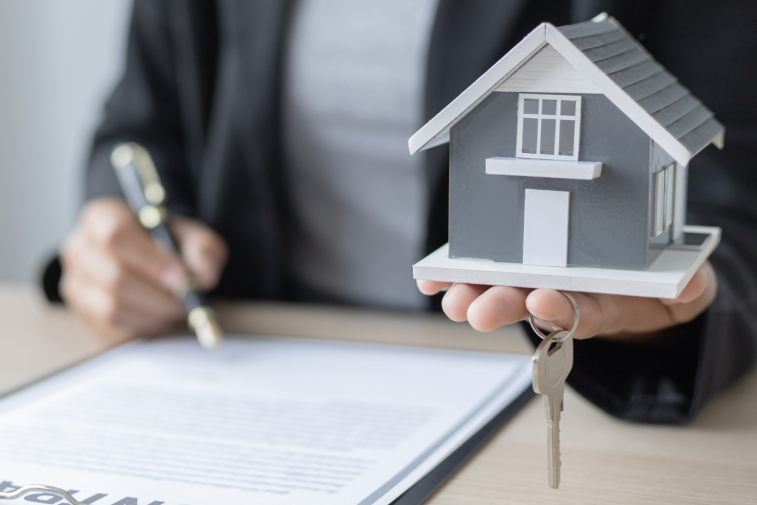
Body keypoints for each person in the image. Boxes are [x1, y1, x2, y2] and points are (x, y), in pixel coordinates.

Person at [43, 0, 757, 422]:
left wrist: (655, 320)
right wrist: (121, 231)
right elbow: (139, 126)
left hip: (516, 388)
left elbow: (733, 205)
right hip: (250, 357)